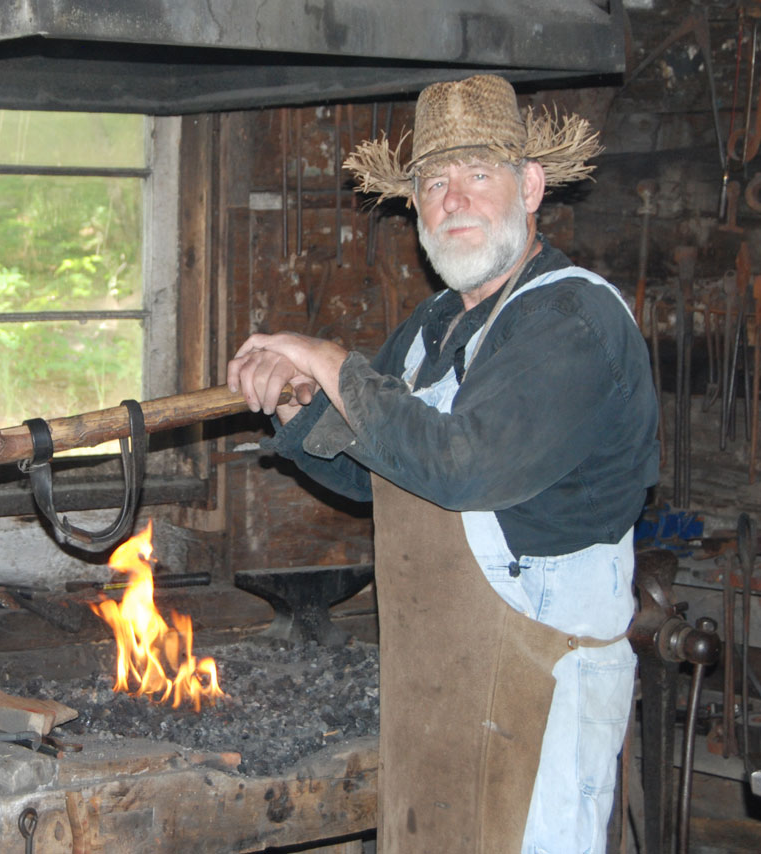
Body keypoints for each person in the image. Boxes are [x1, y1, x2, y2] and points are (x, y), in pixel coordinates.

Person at [227, 74, 658, 854]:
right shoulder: (434, 328)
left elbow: (464, 467)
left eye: (478, 175)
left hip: (541, 687)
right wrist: (299, 407)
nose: (453, 199)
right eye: (433, 181)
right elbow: (378, 473)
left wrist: (331, 359)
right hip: (435, 687)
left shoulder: (571, 319)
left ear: (529, 188)